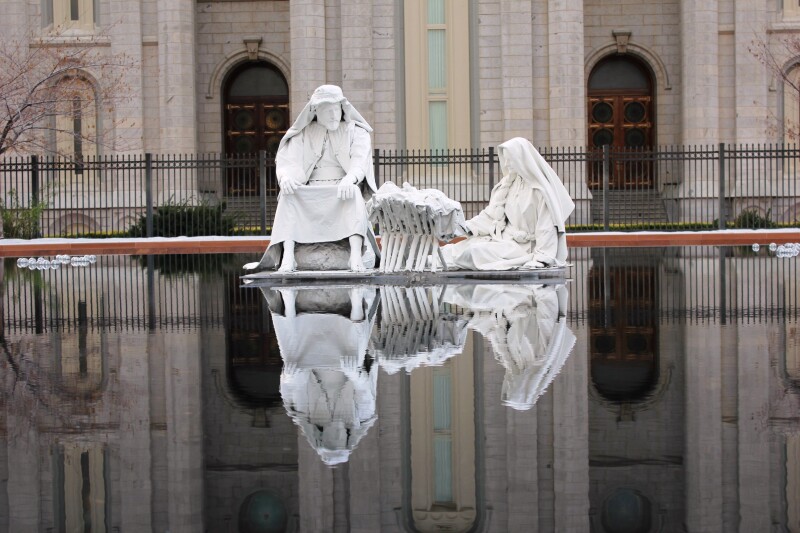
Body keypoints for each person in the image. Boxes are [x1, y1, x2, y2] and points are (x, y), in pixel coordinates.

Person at [244, 85, 378, 272]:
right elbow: (288, 161)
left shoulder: (356, 131)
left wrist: (351, 178)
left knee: (353, 194)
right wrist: (285, 178)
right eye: (326, 111)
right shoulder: (304, 133)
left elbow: (359, 161)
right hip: (310, 189)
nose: (332, 115)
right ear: (315, 111)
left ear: (342, 108)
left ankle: (355, 256)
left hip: (341, 187)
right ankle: (289, 257)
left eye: (335, 109)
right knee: (288, 195)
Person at [441, 137, 574, 270]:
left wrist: (542, 257)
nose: (507, 163)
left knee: (474, 252)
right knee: (447, 252)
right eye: (505, 159)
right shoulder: (506, 186)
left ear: (521, 159)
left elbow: (546, 227)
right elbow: (490, 217)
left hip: (523, 247)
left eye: (510, 159)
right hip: (502, 240)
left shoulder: (540, 192)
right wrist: (466, 228)